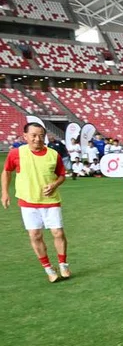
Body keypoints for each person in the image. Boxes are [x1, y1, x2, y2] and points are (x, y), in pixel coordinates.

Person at [1, 119, 70, 282]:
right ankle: (48, 269)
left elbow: (61, 175)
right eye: (33, 135)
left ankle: (63, 264)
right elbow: (6, 172)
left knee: (58, 232)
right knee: (35, 235)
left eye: (41, 135)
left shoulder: (54, 155)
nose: (37, 139)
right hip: (28, 202)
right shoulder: (16, 153)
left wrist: (54, 184)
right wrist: (4, 193)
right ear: (25, 136)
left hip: (50, 200)